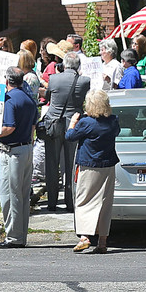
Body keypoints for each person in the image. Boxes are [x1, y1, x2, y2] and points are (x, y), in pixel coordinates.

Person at [66, 88, 121, 254]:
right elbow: (116, 132)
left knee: (83, 201)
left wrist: (72, 123)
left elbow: (70, 137)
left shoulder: (86, 123)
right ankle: (102, 242)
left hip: (89, 165)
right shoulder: (113, 121)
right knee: (105, 203)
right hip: (108, 165)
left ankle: (85, 236)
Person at [0, 67, 37, 249]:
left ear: (7, 81)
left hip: (12, 151)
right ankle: (20, 235)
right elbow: (32, 126)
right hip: (26, 149)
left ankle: (14, 237)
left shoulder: (9, 100)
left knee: (10, 195)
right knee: (23, 195)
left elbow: (9, 127)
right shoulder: (29, 99)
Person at [41, 52, 90, 211]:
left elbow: (48, 98)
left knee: (52, 164)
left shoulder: (54, 79)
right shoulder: (85, 81)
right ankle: (71, 202)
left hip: (54, 124)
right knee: (71, 165)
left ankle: (52, 203)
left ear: (64, 65)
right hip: (74, 124)